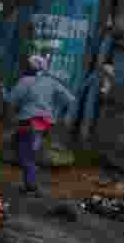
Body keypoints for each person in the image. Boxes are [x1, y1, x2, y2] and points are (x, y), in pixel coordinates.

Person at [4, 54, 76, 196]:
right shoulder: (51, 82)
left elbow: (11, 100)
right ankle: (30, 183)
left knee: (25, 153)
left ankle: (32, 186)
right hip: (45, 123)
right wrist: (56, 113)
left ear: (30, 68)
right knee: (27, 150)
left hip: (30, 122)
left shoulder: (25, 81)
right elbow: (70, 99)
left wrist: (3, 93)